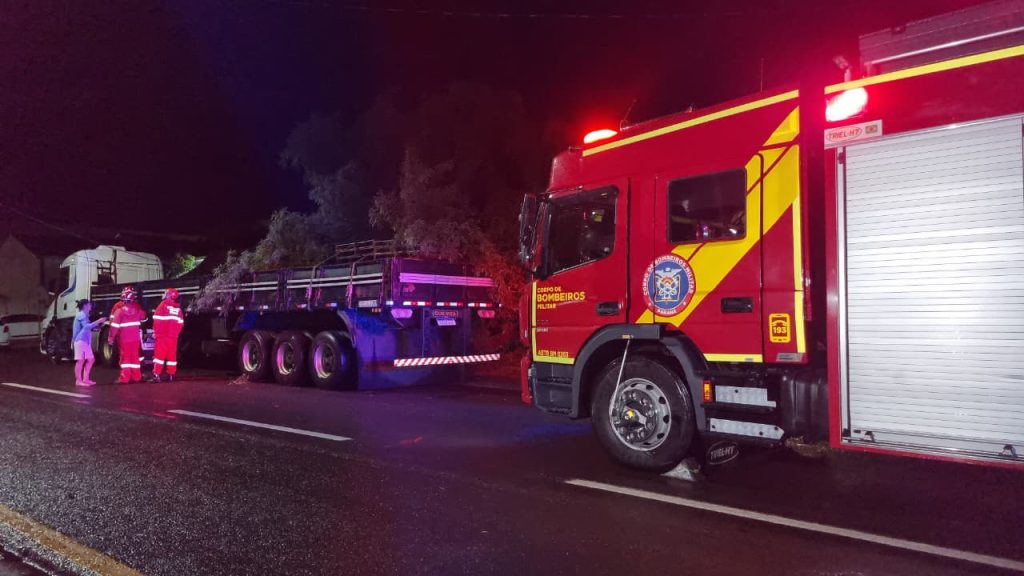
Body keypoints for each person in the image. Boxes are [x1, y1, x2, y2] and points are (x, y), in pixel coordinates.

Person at [108, 286, 147, 383]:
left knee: (125, 358)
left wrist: (111, 338)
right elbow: (144, 318)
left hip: (124, 338)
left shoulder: (119, 311)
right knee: (135, 358)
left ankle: (125, 378)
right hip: (135, 339)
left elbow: (114, 326)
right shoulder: (137, 309)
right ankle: (136, 377)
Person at [150, 288, 185, 382]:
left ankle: (157, 374)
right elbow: (181, 324)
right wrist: (175, 334)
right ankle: (171, 375)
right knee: (172, 356)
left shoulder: (162, 306)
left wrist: (155, 333)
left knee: (159, 356)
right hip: (173, 337)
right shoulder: (178, 309)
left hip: (162, 336)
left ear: (168, 295)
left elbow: (157, 321)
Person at [72, 300, 106, 387]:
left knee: (90, 359)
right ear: (85, 305)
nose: (91, 306)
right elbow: (86, 327)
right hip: (80, 340)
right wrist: (98, 321)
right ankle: (78, 380)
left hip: (84, 341)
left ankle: (85, 379)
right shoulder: (81, 314)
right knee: (81, 361)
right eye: (89, 304)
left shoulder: (85, 315)